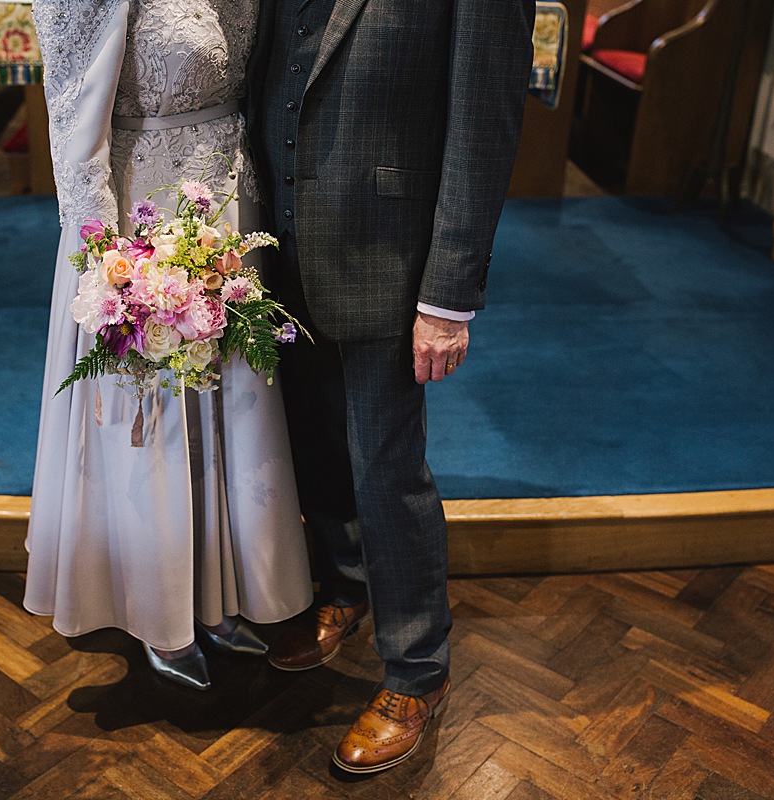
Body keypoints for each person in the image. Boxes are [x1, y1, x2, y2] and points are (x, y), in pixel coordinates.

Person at [249, 0, 535, 773]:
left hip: (388, 249)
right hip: (278, 243)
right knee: (310, 440)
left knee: (385, 466)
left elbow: (485, 121)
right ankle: (343, 585)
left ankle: (417, 670)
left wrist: (447, 296)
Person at [23, 0, 313, 692]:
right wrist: (101, 254)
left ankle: (218, 596)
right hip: (143, 206)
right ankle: (157, 613)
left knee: (231, 407)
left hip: (231, 204)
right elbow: (71, 101)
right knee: (151, 412)